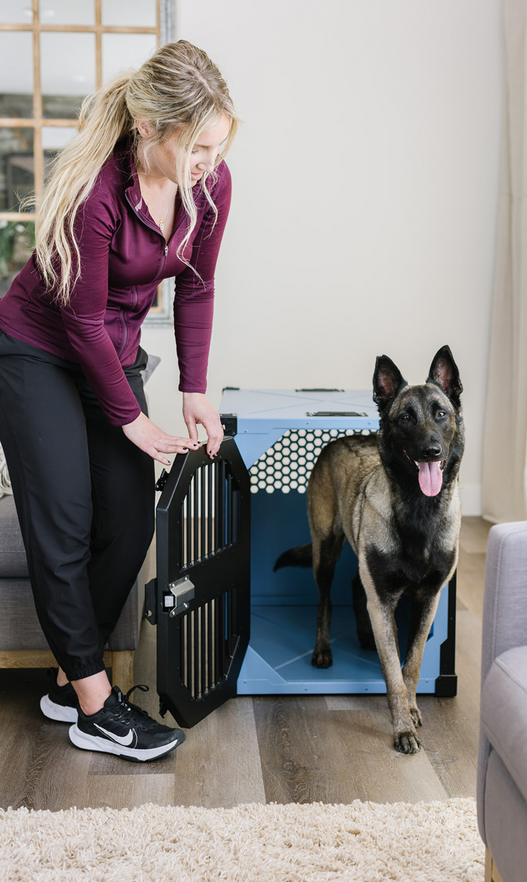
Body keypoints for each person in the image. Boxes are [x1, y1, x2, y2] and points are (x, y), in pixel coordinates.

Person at [0, 40, 238, 762]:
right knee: (65, 517)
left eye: (218, 145)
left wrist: (192, 389)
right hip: (36, 348)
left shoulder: (210, 186)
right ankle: (98, 708)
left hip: (114, 350)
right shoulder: (97, 191)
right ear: (152, 130)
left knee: (132, 519)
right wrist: (131, 418)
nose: (209, 161)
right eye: (197, 146)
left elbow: (195, 284)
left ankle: (74, 677)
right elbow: (77, 319)